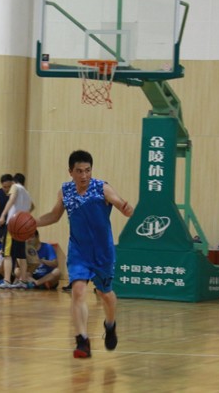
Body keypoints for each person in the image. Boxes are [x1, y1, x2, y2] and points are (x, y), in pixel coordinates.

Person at [36, 150, 133, 358]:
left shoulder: (102, 188)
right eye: (79, 171)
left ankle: (110, 324)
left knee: (105, 294)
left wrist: (125, 208)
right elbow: (54, 215)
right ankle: (82, 340)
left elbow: (118, 202)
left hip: (102, 252)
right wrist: (34, 222)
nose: (84, 175)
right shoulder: (65, 191)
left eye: (87, 170)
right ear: (70, 172)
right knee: (78, 291)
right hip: (78, 251)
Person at [0, 173, 35, 289]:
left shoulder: (15, 187)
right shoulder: (26, 192)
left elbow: (11, 200)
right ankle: (23, 281)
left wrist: (3, 215)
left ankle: (7, 281)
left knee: (7, 254)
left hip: (12, 225)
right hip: (22, 227)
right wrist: (25, 218)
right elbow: (32, 206)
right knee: (21, 255)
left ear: (13, 182)